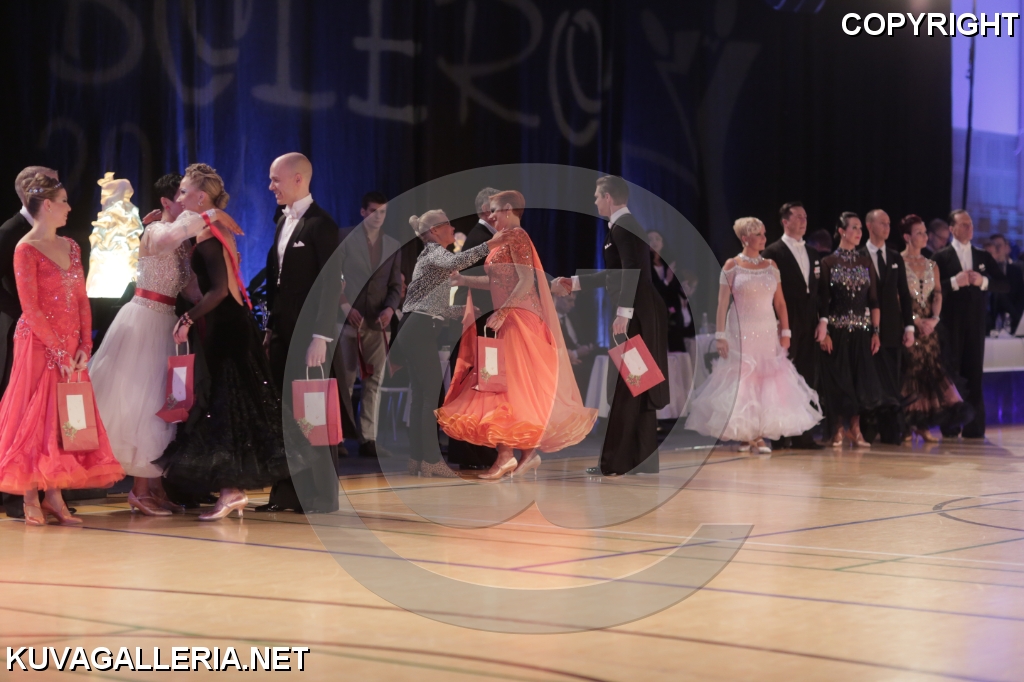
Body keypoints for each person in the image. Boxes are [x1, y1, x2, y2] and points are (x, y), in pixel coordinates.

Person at [156, 164, 288, 520]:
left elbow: (218, 291)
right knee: (230, 411)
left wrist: (187, 318)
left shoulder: (209, 235)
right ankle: (232, 491)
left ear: (201, 196)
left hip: (227, 329)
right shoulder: (212, 227)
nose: (180, 196)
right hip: (231, 326)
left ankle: (231, 491)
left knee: (224, 410)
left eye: (184, 191)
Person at [441, 191, 597, 480]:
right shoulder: (505, 239)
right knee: (510, 387)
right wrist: (463, 280)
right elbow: (497, 281)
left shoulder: (517, 236)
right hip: (509, 318)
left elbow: (526, 281)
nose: (490, 216)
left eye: (494, 211)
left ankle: (506, 456)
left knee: (504, 387)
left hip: (518, 319)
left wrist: (503, 312)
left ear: (508, 208)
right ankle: (525, 453)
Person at [0, 172, 123, 525]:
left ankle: (54, 495)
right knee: (35, 416)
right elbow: (30, 307)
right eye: (64, 202)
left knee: (65, 416)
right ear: (47, 205)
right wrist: (57, 351)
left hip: (70, 344)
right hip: (39, 344)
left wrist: (85, 343)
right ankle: (30, 495)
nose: (70, 208)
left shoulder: (71, 246)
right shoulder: (25, 248)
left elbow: (81, 298)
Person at [89, 174, 212, 516]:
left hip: (167, 322)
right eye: (180, 197)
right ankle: (140, 490)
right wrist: (211, 213)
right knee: (143, 405)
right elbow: (171, 235)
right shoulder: (156, 230)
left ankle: (155, 487)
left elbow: (190, 289)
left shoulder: (181, 241)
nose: (186, 202)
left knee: (165, 404)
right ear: (165, 202)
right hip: (143, 320)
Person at [552, 175, 669, 476]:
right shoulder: (621, 227)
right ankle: (642, 459)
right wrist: (575, 282)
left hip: (636, 317)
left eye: (596, 196)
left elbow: (633, 271)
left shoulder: (624, 226)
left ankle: (616, 462)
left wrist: (624, 313)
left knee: (626, 386)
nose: (594, 201)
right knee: (637, 385)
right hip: (640, 314)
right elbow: (615, 274)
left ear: (608, 197)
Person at [686, 218, 822, 452]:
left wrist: (786, 331)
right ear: (745, 238)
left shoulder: (771, 265)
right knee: (743, 380)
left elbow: (780, 303)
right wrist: (720, 335)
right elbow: (722, 303)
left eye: (764, 233)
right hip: (741, 330)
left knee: (765, 379)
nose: (763, 238)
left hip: (766, 330)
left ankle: (756, 434)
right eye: (758, 234)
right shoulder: (732, 265)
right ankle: (748, 435)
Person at [260, 153, 342, 513]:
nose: (270, 186)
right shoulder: (282, 221)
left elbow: (330, 285)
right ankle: (287, 493)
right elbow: (276, 283)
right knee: (285, 413)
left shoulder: (321, 225)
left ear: (298, 179)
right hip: (282, 333)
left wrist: (321, 337)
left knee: (313, 414)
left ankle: (322, 495)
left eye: (275, 179)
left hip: (310, 337)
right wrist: (269, 327)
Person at [395, 210, 504, 477]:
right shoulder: (435, 253)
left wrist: (459, 312)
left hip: (414, 327)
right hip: (419, 328)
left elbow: (430, 303)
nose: (453, 228)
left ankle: (417, 459)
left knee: (421, 395)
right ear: (434, 231)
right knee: (432, 396)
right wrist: (490, 244)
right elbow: (459, 260)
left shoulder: (430, 256)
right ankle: (431, 460)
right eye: (448, 225)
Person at [0, 166, 59, 518]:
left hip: (48, 331)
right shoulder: (11, 231)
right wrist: (25, 315)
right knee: (20, 407)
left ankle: (47, 487)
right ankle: (16, 495)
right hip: (20, 330)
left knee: (47, 412)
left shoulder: (53, 234)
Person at [334, 191, 401, 459]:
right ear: (363, 212)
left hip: (377, 323)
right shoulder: (344, 237)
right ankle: (338, 438)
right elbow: (332, 276)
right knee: (345, 382)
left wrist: (390, 309)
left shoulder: (392, 244)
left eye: (382, 212)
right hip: (348, 319)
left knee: (373, 382)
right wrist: (344, 306)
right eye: (373, 211)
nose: (378, 216)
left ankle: (368, 438)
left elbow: (395, 285)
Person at [932, 210, 1009, 439]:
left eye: (971, 224)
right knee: (951, 373)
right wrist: (955, 282)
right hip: (950, 324)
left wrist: (982, 281)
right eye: (964, 224)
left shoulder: (982, 255)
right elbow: (931, 289)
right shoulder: (941, 257)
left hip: (976, 324)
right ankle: (950, 425)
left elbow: (1004, 284)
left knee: (974, 373)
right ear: (952, 229)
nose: (970, 228)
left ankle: (974, 426)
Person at [899, 215, 971, 440]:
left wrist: (934, 319)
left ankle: (922, 425)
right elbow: (896, 297)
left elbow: (937, 294)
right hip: (907, 325)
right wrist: (914, 321)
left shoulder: (931, 265)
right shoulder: (898, 262)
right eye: (919, 233)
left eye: (924, 232)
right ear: (907, 237)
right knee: (909, 372)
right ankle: (906, 424)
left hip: (930, 328)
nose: (924, 236)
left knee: (929, 371)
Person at [816, 212, 884, 448]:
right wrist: (824, 332)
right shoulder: (828, 262)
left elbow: (874, 301)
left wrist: (876, 332)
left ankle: (855, 429)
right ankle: (837, 429)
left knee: (859, 382)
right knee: (839, 382)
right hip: (837, 332)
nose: (858, 232)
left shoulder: (866, 262)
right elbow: (823, 301)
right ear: (841, 231)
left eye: (860, 228)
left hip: (862, 332)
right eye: (854, 227)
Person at [762, 202, 824, 449]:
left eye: (805, 216)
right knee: (782, 376)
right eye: (798, 217)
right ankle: (779, 434)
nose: (803, 221)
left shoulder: (813, 253)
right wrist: (778, 323)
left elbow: (819, 292)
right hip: (786, 319)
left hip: (809, 320)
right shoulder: (772, 252)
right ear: (785, 222)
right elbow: (768, 292)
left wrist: (822, 321)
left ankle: (803, 434)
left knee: (807, 375)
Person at [447, 187, 501, 472]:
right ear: (484, 211)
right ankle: (474, 451)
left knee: (481, 383)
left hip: (480, 320)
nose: (500, 214)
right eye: (495, 209)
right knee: (478, 384)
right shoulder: (480, 238)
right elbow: (468, 279)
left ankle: (477, 450)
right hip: (479, 322)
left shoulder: (484, 237)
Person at [857, 209, 915, 445]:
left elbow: (904, 294)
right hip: (865, 328)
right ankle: (867, 429)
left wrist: (909, 326)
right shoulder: (859, 256)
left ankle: (891, 429)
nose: (887, 227)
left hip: (892, 328)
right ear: (869, 226)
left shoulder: (894, 257)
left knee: (892, 379)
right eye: (882, 223)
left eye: (889, 223)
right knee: (868, 379)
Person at [647, 229, 695, 354]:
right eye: (650, 239)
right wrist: (666, 281)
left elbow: (678, 289)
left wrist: (685, 291)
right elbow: (648, 292)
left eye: (657, 239)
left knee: (677, 353)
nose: (654, 242)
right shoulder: (644, 266)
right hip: (654, 315)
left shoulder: (670, 263)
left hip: (673, 316)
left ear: (663, 243)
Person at [554, 291, 597, 395]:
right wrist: (575, 354)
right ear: (557, 298)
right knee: (585, 371)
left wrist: (587, 347)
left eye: (574, 301)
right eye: (569, 301)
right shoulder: (552, 320)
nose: (573, 305)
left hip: (582, 356)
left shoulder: (573, 316)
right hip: (564, 360)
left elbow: (582, 338)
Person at [984, 233, 1024, 333]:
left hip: (1012, 322)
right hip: (988, 323)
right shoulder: (984, 271)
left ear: (1007, 248)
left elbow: (1020, 296)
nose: (997, 249)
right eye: (994, 246)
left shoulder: (1017, 270)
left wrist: (1016, 318)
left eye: (999, 245)